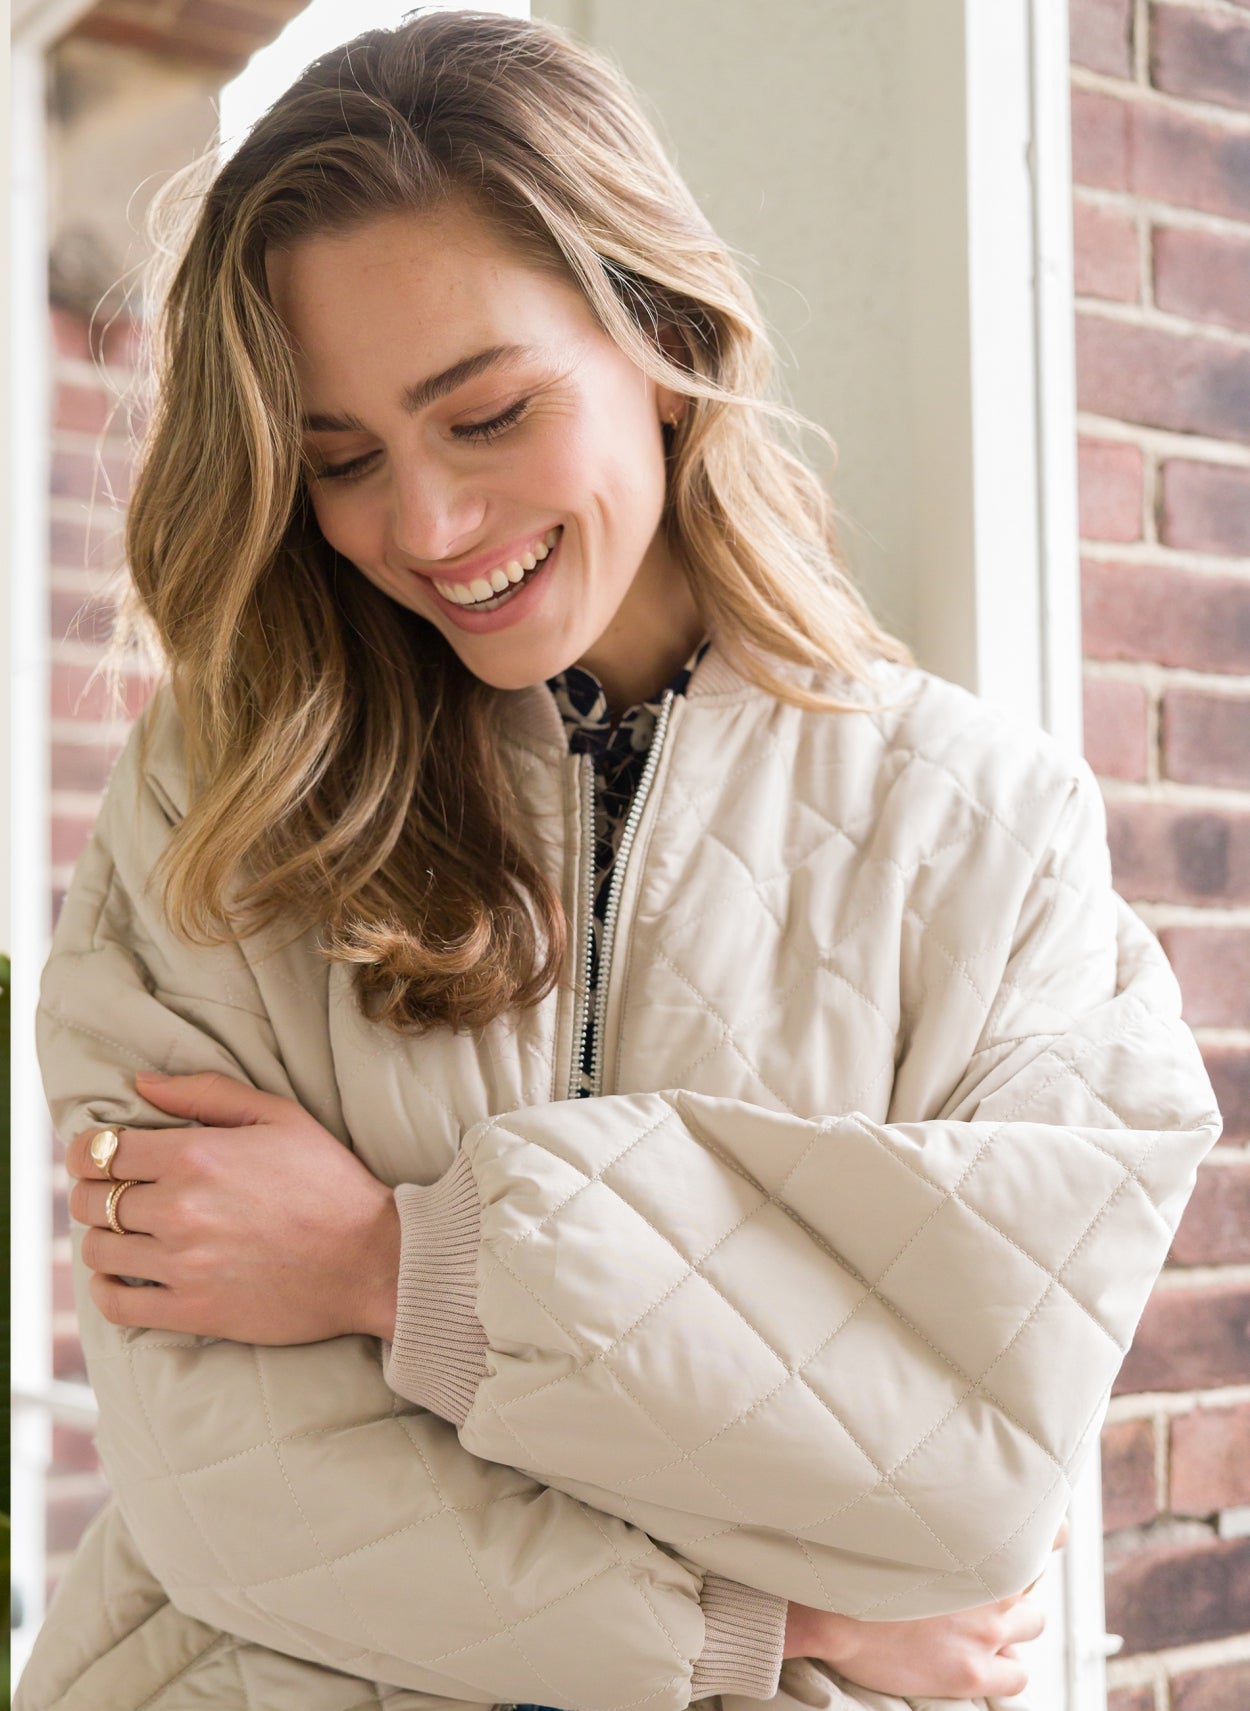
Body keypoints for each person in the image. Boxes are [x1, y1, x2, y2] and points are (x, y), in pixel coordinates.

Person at [17, 11, 1220, 1711]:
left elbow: (963, 1489)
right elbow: (223, 1493)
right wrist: (763, 1627)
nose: (424, 527)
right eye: (341, 460)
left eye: (486, 414)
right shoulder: (218, 802)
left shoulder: (985, 830)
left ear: (662, 336)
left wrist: (394, 1270)